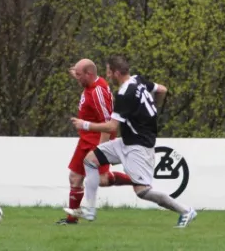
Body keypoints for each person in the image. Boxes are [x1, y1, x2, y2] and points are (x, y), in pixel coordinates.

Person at [65, 54, 197, 228]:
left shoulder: (124, 94)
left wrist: (85, 125)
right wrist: (152, 111)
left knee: (142, 192)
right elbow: (162, 90)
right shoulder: (139, 80)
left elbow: (112, 127)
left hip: (139, 146)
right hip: (126, 141)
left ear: (117, 72)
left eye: (109, 72)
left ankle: (186, 211)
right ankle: (89, 209)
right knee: (90, 160)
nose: (108, 76)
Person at [57, 58, 134, 225]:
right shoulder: (89, 83)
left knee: (103, 179)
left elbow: (109, 124)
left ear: (89, 74)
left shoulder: (98, 92)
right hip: (85, 138)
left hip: (98, 138)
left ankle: (135, 180)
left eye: (78, 75)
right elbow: (81, 73)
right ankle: (72, 219)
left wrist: (101, 149)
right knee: (75, 177)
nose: (76, 78)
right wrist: (74, 71)